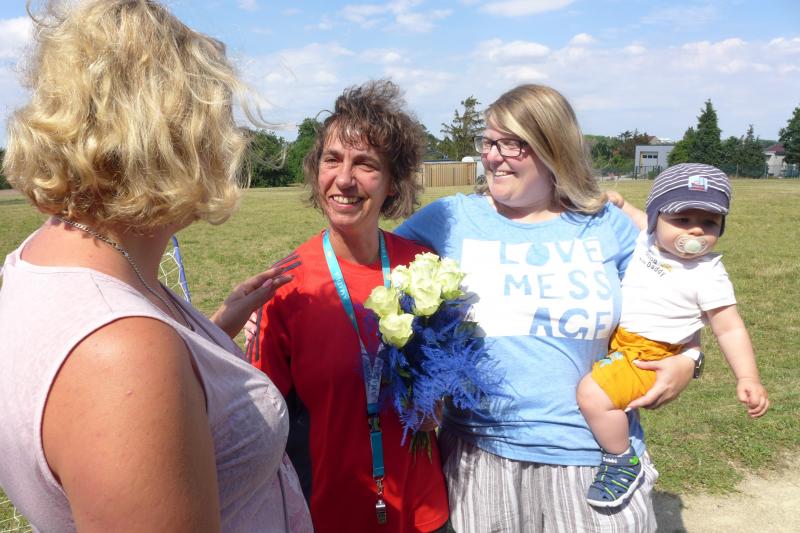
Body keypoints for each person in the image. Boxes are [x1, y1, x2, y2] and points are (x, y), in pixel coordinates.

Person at [0, 1, 312, 531]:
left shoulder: (43, 258)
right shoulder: (120, 357)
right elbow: (128, 370)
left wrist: (219, 324)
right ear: (175, 137)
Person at [395, 84, 696, 532]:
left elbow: (676, 297)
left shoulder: (605, 224)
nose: (493, 156)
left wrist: (690, 359)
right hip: (481, 456)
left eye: (511, 144)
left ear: (553, 147)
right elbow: (370, 268)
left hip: (595, 455)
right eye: (488, 142)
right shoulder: (449, 219)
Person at [246, 80, 450, 533]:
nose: (343, 179)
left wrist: (435, 402)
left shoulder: (424, 269)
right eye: (332, 159)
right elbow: (259, 419)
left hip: (423, 513)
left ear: (392, 183)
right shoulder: (285, 285)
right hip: (328, 513)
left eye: (365, 164)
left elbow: (445, 386)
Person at [576, 163, 769, 507]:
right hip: (621, 342)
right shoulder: (647, 240)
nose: (695, 231)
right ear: (656, 220)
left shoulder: (708, 274)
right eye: (682, 220)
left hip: (650, 355)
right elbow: (638, 216)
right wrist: (621, 204)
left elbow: (730, 327)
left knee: (592, 396)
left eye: (709, 223)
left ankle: (621, 459)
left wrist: (748, 377)